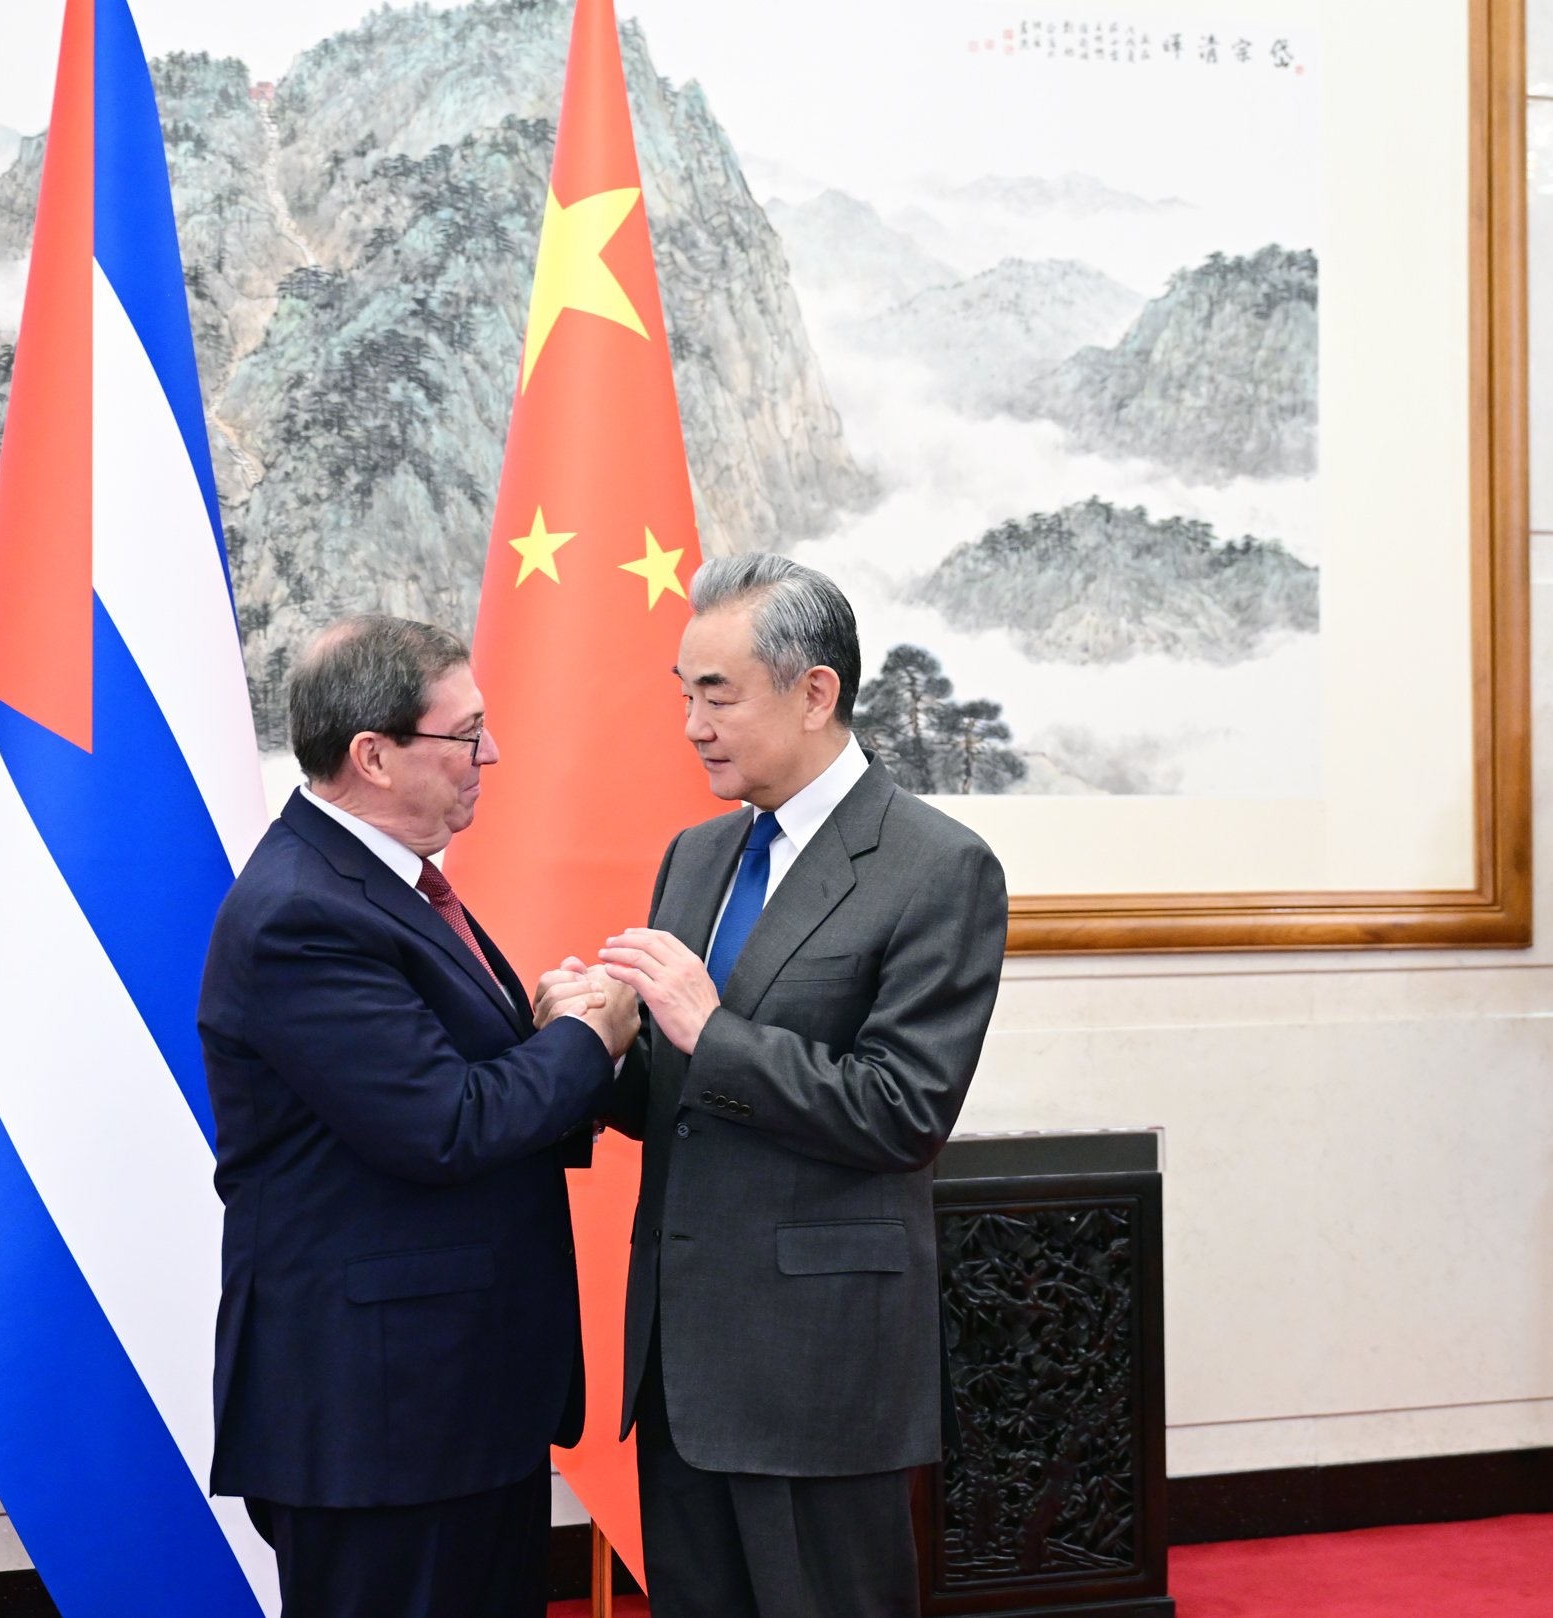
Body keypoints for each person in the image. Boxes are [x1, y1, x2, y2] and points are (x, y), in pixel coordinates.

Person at [543, 554, 1009, 1618]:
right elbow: (683, 1101)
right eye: (683, 694)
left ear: (815, 692)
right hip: (677, 1364)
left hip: (815, 1370)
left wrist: (710, 1029)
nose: (692, 726)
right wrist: (594, 1046)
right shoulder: (696, 855)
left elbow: (903, 1112)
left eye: (718, 695)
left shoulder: (937, 866)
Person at [200, 613, 638, 1618]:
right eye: (466, 733)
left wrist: (544, 1034)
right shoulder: (303, 912)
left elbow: (441, 1086)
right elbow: (443, 1125)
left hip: (454, 1403)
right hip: (383, 1421)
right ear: (373, 755)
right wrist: (588, 1039)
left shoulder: (390, 885)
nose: (493, 754)